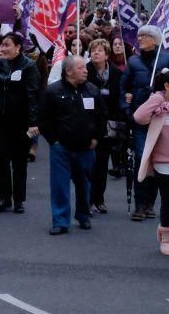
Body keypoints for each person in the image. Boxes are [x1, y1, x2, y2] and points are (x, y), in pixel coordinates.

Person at [39, 55, 107, 235]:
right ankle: (60, 221)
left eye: (85, 67)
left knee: (85, 184)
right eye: (80, 68)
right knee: (60, 185)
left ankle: (83, 215)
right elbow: (44, 119)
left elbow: (101, 117)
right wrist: (53, 141)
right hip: (62, 148)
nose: (85, 70)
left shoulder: (92, 90)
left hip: (86, 148)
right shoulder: (52, 91)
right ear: (68, 71)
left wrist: (96, 138)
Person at [122, 25, 169, 221]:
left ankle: (150, 203)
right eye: (139, 36)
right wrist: (127, 109)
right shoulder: (133, 61)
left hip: (162, 118)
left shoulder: (168, 59)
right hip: (139, 119)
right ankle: (139, 205)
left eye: (145, 36)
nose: (141, 38)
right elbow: (123, 87)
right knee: (140, 158)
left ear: (155, 39)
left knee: (156, 160)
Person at [0, 32, 40, 214]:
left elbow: (33, 95)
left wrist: (33, 122)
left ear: (18, 47)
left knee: (19, 162)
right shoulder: (0, 65)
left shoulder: (29, 66)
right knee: (2, 159)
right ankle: (4, 198)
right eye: (2, 45)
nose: (3, 48)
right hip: (2, 119)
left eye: (7, 45)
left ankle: (19, 199)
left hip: (21, 121)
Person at [134, 69, 169, 256]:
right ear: (167, 86)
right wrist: (158, 100)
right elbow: (139, 117)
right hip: (164, 161)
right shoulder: (159, 102)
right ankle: (167, 237)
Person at [86, 38, 123, 214]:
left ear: (107, 55)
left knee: (101, 164)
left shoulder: (116, 73)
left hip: (108, 125)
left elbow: (119, 97)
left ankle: (99, 199)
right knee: (87, 164)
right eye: (93, 50)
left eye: (99, 50)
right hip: (88, 124)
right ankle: (87, 199)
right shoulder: (84, 71)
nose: (95, 53)